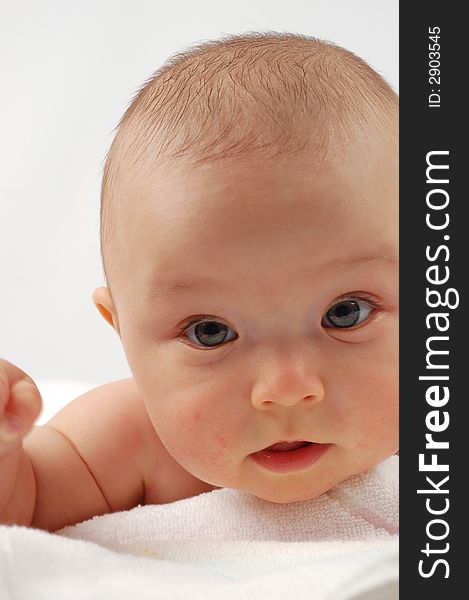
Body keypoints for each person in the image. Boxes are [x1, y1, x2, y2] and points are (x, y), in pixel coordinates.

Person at [0, 32, 398, 532]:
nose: (286, 390)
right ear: (122, 330)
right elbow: (24, 512)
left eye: (347, 313)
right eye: (210, 331)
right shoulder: (133, 440)